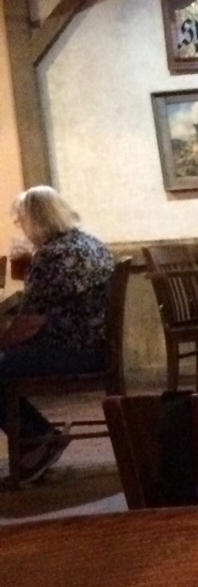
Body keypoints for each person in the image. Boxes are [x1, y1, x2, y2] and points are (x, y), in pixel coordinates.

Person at [0, 186, 114, 483]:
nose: (22, 229)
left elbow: (29, 324)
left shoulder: (52, 256)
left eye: (20, 221)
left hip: (72, 351)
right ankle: (38, 437)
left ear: (35, 219)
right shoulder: (89, 242)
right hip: (95, 344)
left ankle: (37, 441)